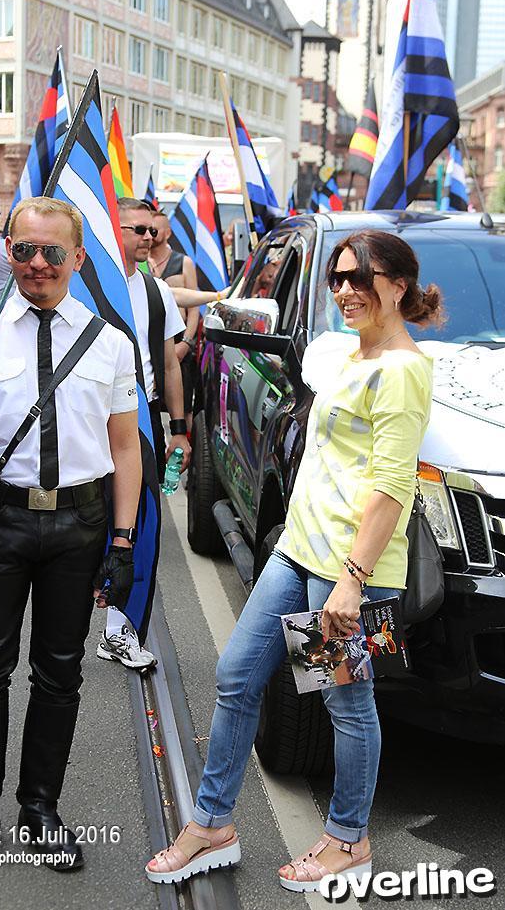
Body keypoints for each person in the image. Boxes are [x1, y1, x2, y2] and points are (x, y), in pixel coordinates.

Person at [145, 229, 441, 891]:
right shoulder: (352, 356)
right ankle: (212, 823)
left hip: (346, 571)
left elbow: (391, 486)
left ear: (396, 285)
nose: (343, 290)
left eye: (358, 278)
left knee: (343, 701)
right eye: (336, 278)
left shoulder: (401, 371)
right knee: (235, 674)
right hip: (297, 549)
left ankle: (346, 838)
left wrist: (350, 585)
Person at [0, 196, 142, 876]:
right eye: (24, 250)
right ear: (7, 251)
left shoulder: (109, 343)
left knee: (60, 672)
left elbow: (125, 448)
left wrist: (124, 544)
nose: (37, 264)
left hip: (78, 525)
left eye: (52, 252)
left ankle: (40, 808)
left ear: (77, 258)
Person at [96, 197, 191, 672]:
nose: (148, 238)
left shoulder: (156, 292)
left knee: (141, 527)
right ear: (111, 230)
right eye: (137, 229)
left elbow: (170, 363)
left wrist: (178, 428)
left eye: (151, 231)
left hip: (142, 424)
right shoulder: (83, 288)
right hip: (87, 422)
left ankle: (120, 629)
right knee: (85, 529)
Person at [148, 209, 199, 428]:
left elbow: (194, 306)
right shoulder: (141, 263)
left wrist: (186, 343)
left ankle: (181, 444)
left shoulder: (183, 262)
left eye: (154, 229)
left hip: (178, 338)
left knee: (183, 403)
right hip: (152, 337)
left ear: (167, 232)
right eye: (146, 229)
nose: (150, 235)